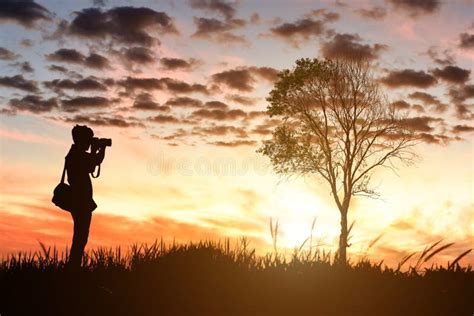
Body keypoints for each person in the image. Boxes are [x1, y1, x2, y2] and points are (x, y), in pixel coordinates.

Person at [65, 125, 106, 268]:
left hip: (81, 200)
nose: (90, 142)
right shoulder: (76, 155)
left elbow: (94, 163)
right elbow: (91, 165)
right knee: (80, 236)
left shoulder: (76, 153)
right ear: (81, 139)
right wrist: (97, 150)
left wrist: (100, 150)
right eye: (88, 139)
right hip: (80, 201)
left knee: (81, 236)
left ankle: (73, 266)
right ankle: (73, 268)